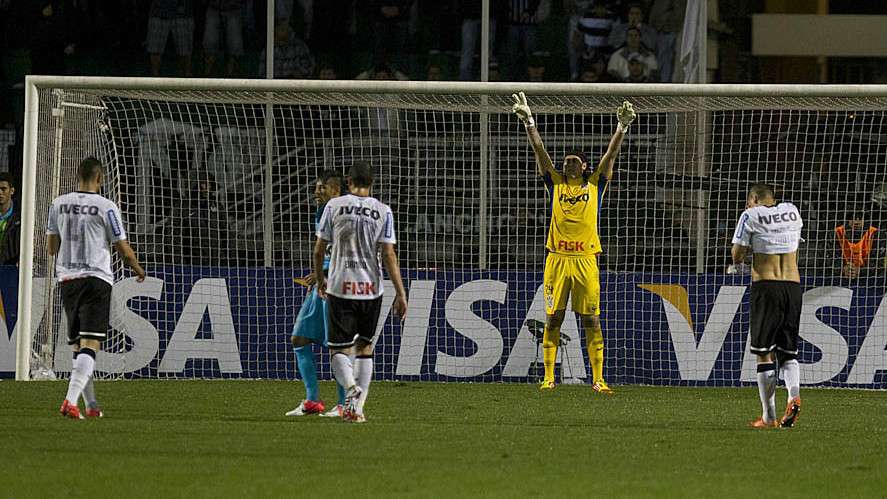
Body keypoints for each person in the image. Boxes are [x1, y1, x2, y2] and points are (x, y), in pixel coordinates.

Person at [511, 91, 636, 393]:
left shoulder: (595, 185)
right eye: (565, 161)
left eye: (574, 161)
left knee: (592, 318)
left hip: (586, 261)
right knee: (554, 317)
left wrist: (621, 129)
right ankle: (549, 377)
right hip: (557, 260)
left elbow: (610, 157)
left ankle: (598, 379)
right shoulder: (555, 185)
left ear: (584, 166)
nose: (568, 164)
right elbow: (541, 153)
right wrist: (529, 122)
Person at [47, 157, 146, 419]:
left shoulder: (58, 204)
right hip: (95, 279)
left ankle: (91, 406)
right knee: (91, 345)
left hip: (67, 280)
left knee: (80, 347)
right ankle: (69, 401)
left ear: (77, 175)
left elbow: (51, 248)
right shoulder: (106, 206)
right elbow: (123, 249)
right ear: (100, 179)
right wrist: (137, 268)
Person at [314, 161, 408, 423]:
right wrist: (401, 293)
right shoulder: (383, 210)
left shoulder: (333, 206)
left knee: (338, 351)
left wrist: (321, 278)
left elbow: (319, 250)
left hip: (341, 286)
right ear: (372, 183)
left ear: (348, 181)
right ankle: (358, 410)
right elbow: (389, 254)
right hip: (371, 290)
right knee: (365, 347)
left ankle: (351, 389)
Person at [729, 184, 803, 428]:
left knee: (764, 353)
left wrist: (752, 247)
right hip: (792, 286)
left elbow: (737, 256)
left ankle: (768, 416)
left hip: (767, 286)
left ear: (753, 198)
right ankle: (793, 396)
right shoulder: (792, 212)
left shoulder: (750, 215)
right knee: (788, 352)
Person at [286, 170, 348, 418]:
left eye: (322, 188)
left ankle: (345, 405)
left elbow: (347, 252)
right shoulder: (322, 212)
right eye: (316, 187)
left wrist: (323, 271)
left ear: (336, 190)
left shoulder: (343, 214)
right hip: (321, 285)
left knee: (338, 347)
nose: (316, 191)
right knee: (299, 339)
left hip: (337, 286)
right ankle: (312, 401)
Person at [835, 212, 878, 279]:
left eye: (860, 218)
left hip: (869, 279)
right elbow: (828, 259)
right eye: (852, 218)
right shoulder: (837, 232)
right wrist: (842, 269)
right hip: (841, 278)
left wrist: (861, 271)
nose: (856, 222)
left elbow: (880, 263)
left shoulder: (875, 233)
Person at [0, 173, 20, 265]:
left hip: (10, 269)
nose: (0, 192)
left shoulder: (21, 215)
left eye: (3, 189)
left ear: (12, 191)